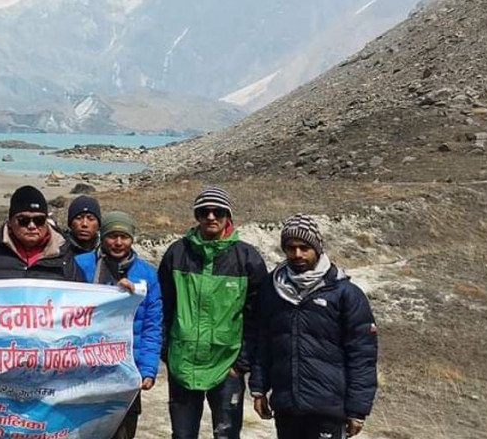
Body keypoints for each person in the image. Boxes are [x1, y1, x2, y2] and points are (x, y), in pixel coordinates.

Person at [250, 215, 378, 439]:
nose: (297, 254)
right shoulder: (272, 289)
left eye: (304, 247)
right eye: (291, 248)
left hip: (328, 408)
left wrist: (357, 410)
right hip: (286, 407)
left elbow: (362, 356)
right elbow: (264, 344)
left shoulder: (345, 294)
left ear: (317, 249)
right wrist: (259, 389)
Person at [157, 186, 267, 439]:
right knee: (182, 436)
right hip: (182, 364)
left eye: (217, 211)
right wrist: (168, 352)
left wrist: (242, 363)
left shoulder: (247, 258)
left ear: (228, 215)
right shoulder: (177, 253)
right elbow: (162, 307)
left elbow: (257, 318)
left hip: (227, 366)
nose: (210, 217)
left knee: (227, 435)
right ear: (196, 216)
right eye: (203, 212)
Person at [74, 211, 162, 439]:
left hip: (127, 371)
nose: (119, 242)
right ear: (103, 237)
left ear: (132, 239)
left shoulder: (146, 274)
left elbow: (152, 325)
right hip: (85, 369)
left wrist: (148, 368)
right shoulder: (81, 265)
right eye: (112, 236)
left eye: (124, 236)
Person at [0, 185, 85, 281]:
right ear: (10, 221)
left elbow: (82, 299)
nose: (32, 226)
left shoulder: (64, 256)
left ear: (47, 221)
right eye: (24, 220)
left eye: (39, 220)